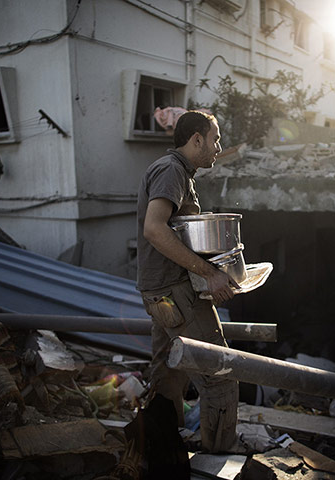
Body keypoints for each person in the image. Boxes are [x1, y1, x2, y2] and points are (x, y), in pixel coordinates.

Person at [136, 110, 239, 453]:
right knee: (220, 376)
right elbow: (154, 229)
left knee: (169, 373)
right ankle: (220, 457)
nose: (218, 147)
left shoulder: (177, 171)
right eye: (215, 139)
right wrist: (210, 274)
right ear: (196, 139)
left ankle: (164, 451)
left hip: (159, 293)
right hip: (175, 292)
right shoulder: (171, 171)